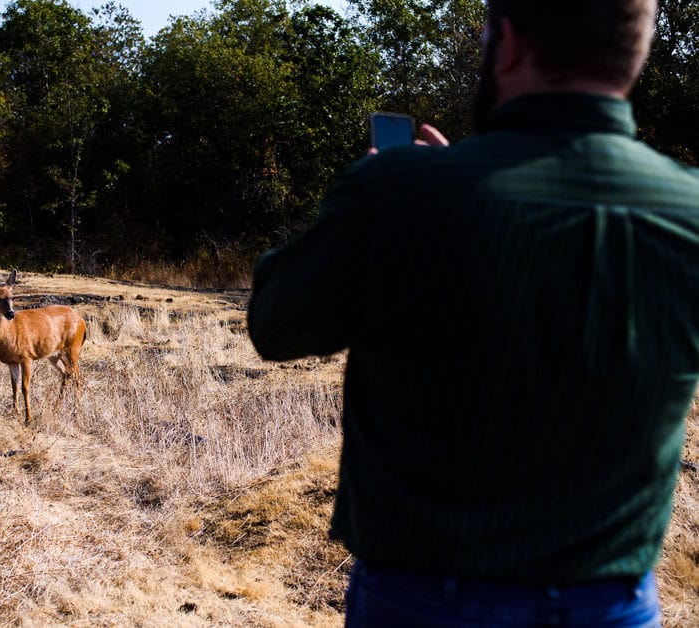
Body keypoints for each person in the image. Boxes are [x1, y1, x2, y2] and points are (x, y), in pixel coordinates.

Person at [247, 0, 699, 625]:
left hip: (425, 601)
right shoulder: (688, 211)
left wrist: (385, 198)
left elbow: (275, 323)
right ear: (636, 54)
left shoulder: (400, 196)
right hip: (615, 604)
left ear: (507, 45)